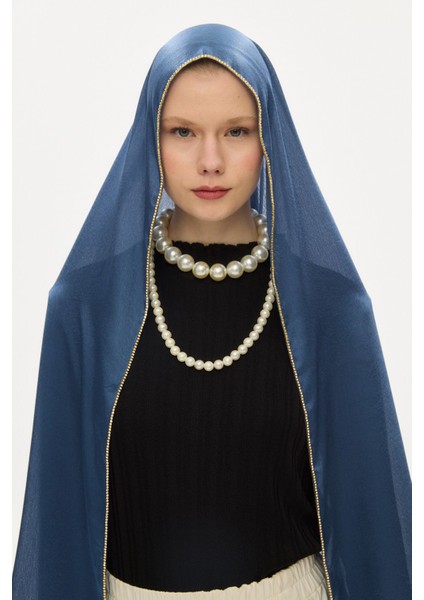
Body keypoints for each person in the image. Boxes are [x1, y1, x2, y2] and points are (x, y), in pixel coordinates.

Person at [13, 24, 411, 600]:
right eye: (183, 131)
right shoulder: (85, 307)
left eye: (236, 131)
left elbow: (374, 524)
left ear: (268, 137)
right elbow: (56, 520)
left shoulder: (332, 310)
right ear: (150, 139)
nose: (210, 161)